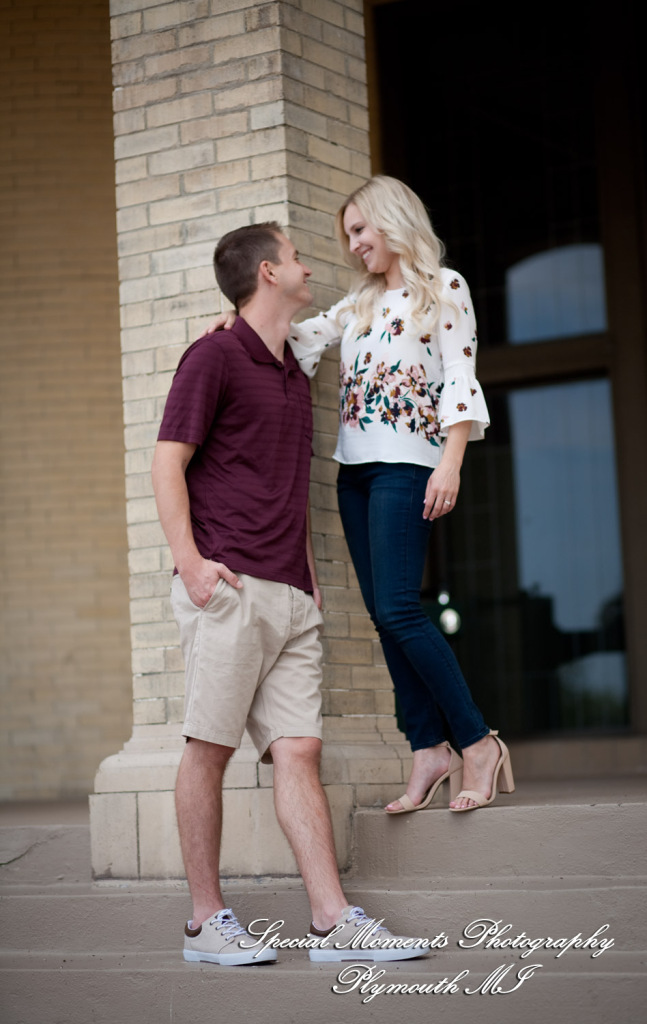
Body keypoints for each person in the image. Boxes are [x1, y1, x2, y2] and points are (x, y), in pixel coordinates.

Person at [151, 221, 427, 967]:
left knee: (299, 750)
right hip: (229, 586)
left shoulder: (291, 367)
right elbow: (166, 463)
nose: (309, 265)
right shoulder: (211, 356)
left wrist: (307, 583)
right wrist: (191, 564)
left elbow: (284, 485)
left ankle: (331, 921)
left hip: (290, 594)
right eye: (298, 255)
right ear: (268, 272)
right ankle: (206, 923)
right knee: (207, 750)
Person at [208, 177, 515, 816]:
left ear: (389, 221)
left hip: (410, 468)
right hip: (356, 474)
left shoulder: (444, 289)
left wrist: (451, 463)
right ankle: (428, 747)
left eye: (358, 232)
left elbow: (461, 377)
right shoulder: (357, 306)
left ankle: (477, 742)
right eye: (348, 236)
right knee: (385, 616)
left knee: (402, 610)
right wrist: (233, 322)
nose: (352, 248)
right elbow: (293, 336)